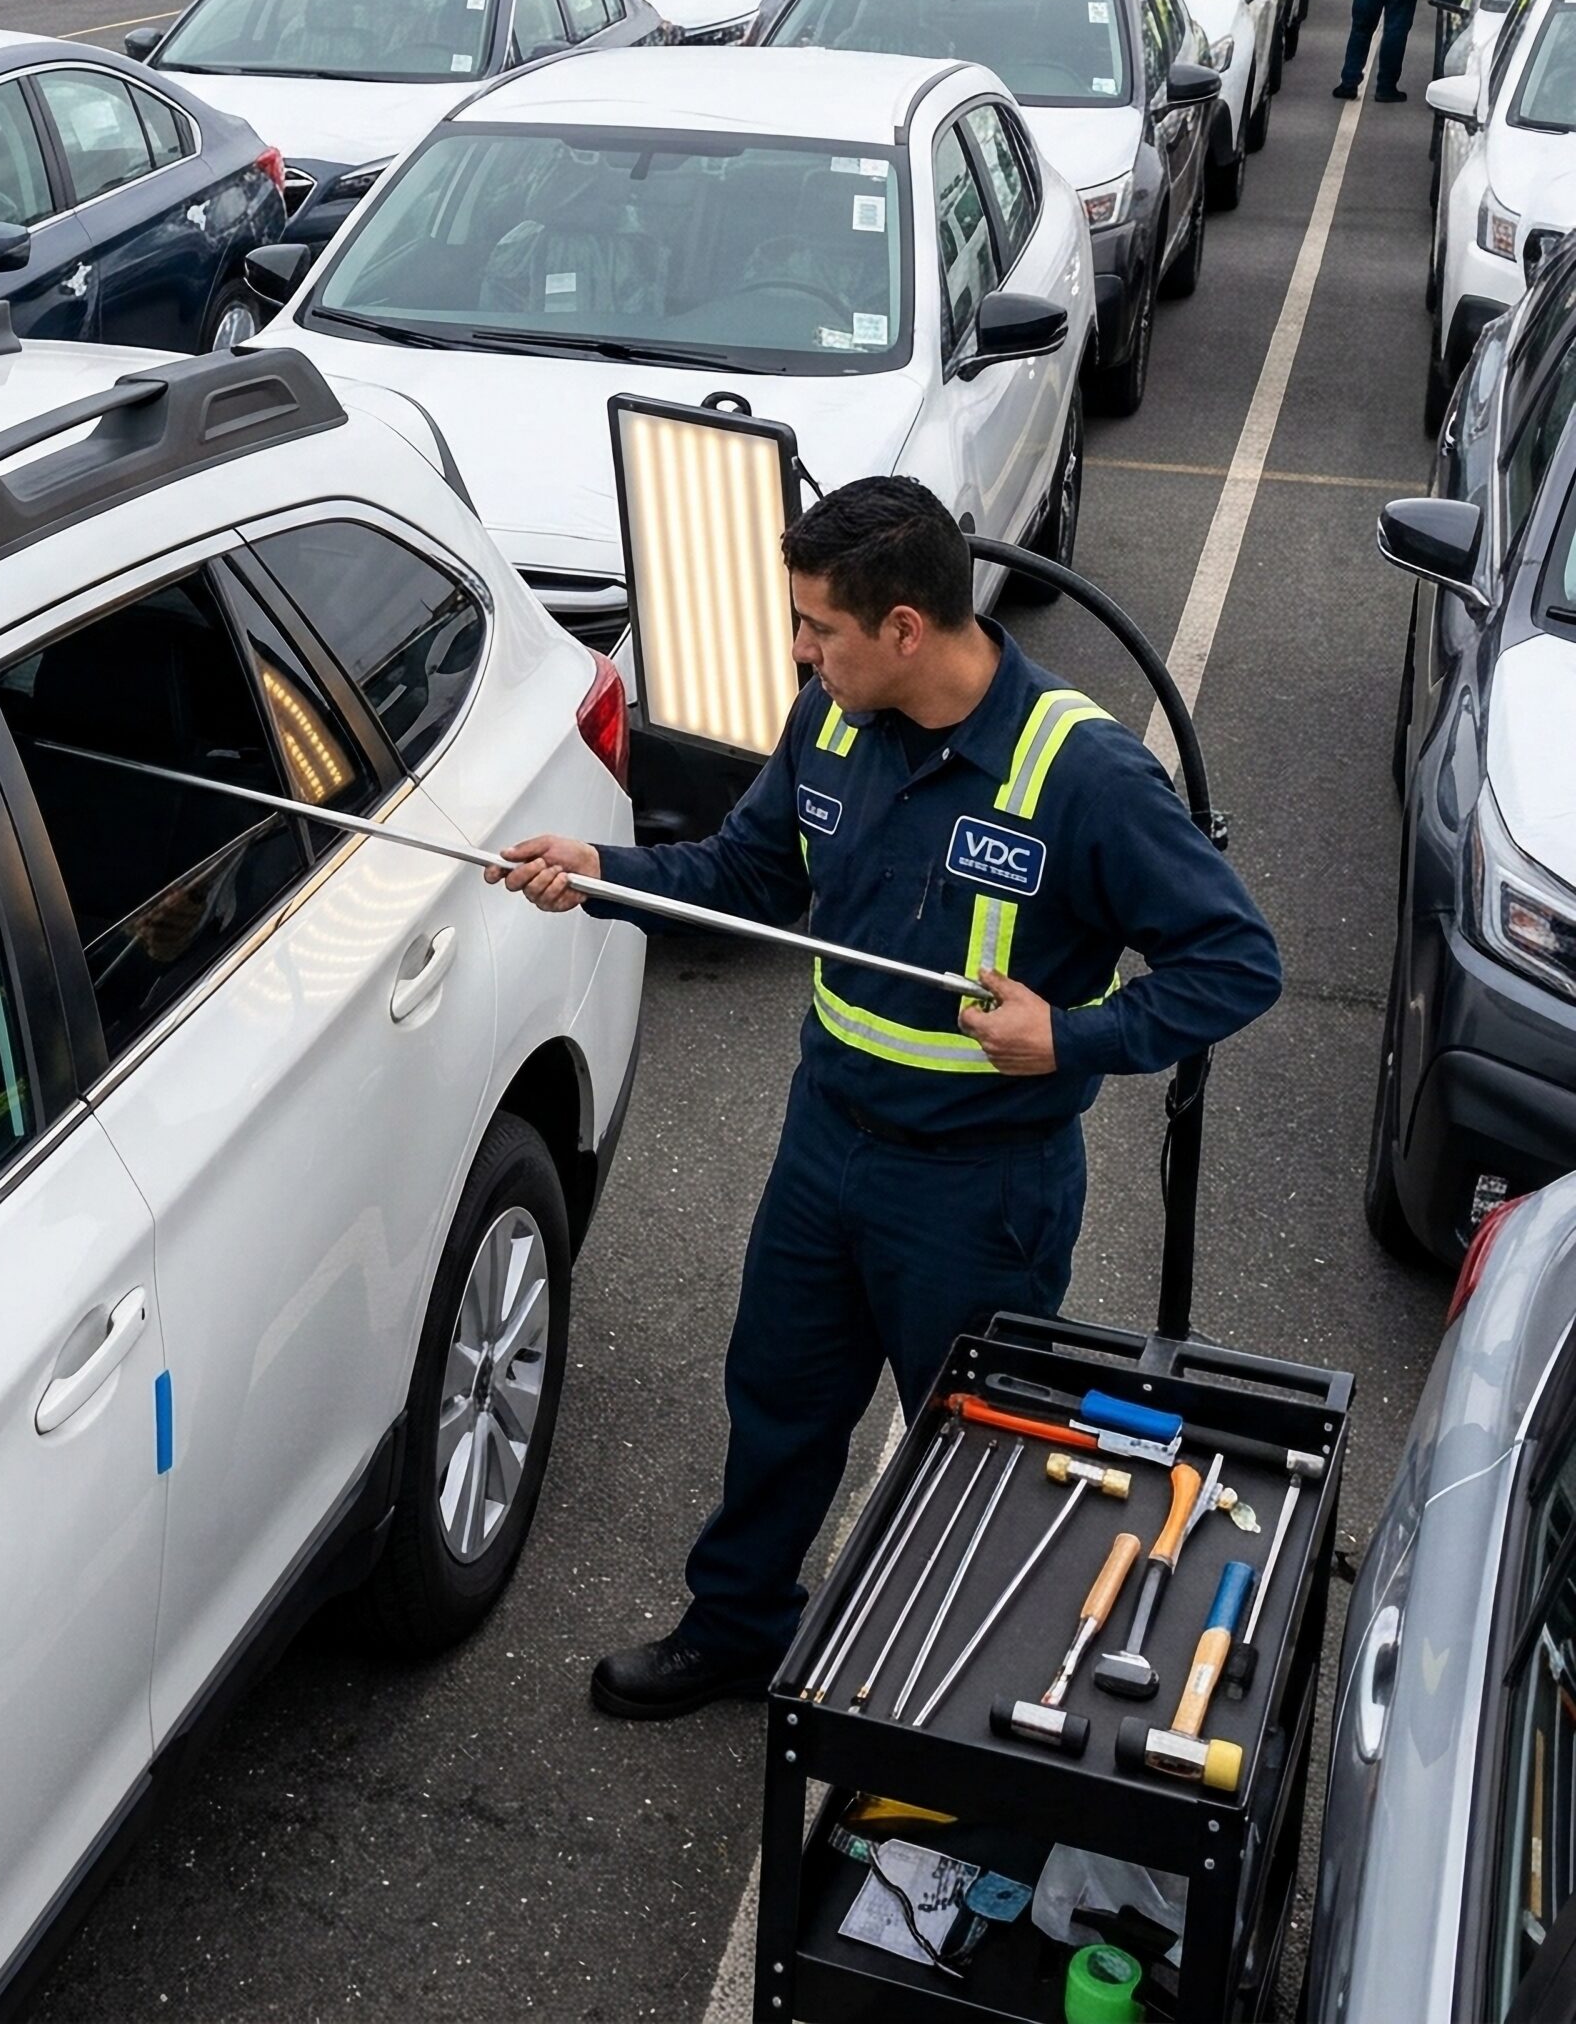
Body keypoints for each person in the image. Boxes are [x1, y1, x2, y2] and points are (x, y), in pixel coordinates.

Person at [492, 477, 1282, 1720]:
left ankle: (953, 1707)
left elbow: (1238, 963)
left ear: (906, 628)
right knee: (777, 1403)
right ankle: (738, 1629)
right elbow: (748, 871)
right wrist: (604, 872)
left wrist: (1072, 1035)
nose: (798, 651)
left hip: (979, 1194)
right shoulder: (831, 718)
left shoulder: (1082, 774)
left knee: (969, 1453)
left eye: (818, 627)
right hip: (825, 1151)